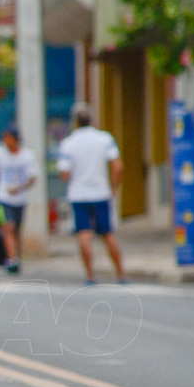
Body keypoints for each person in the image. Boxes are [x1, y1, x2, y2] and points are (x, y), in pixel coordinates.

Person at [57, 103, 127, 284]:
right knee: (107, 233)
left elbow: (64, 173)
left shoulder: (68, 143)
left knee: (84, 234)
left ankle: (90, 275)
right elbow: (118, 166)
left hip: (79, 194)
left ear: (75, 121)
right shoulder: (104, 139)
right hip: (101, 192)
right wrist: (113, 188)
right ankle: (121, 274)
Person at [0, 125, 39, 274]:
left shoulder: (27, 156)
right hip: (3, 198)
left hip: (19, 199)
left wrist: (18, 188)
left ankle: (16, 258)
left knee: (16, 230)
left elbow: (32, 178)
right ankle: (11, 259)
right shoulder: (0, 155)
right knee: (8, 227)